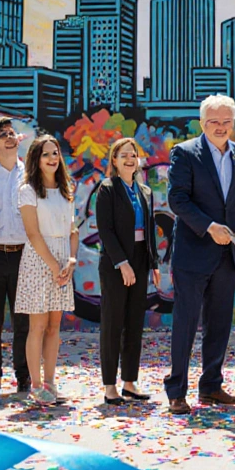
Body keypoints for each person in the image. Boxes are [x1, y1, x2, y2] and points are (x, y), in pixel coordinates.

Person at [164, 94, 235, 415]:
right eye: (213, 121)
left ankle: (211, 387)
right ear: (202, 123)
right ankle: (176, 391)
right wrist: (209, 226)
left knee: (219, 325)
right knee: (186, 323)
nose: (220, 127)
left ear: (233, 123)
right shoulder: (185, 153)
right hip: (193, 253)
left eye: (226, 121)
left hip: (227, 256)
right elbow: (177, 200)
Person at [16, 134, 81, 406]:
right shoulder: (27, 191)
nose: (53, 158)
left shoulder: (67, 188)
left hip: (62, 261)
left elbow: (73, 230)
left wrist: (71, 261)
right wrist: (54, 265)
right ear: (36, 159)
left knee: (55, 326)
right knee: (38, 326)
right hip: (38, 262)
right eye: (46, 154)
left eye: (55, 153)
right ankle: (35, 386)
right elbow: (32, 233)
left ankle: (50, 383)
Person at [95, 137, 160, 405]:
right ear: (114, 160)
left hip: (140, 259)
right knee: (113, 323)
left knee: (134, 323)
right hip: (115, 262)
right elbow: (105, 230)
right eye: (123, 155)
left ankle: (129, 382)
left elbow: (150, 228)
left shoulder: (145, 191)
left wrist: (153, 263)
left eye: (133, 155)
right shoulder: (107, 189)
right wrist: (122, 263)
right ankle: (110, 385)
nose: (130, 159)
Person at [0, 118, 32, 397]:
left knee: (23, 322)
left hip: (24, 256)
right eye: (2, 135)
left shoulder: (31, 176)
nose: (10, 138)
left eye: (12, 133)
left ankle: (24, 376)